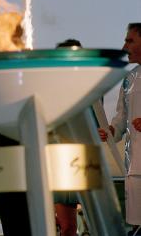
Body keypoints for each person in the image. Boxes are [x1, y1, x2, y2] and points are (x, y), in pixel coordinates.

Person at [98, 23, 141, 236]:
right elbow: (120, 120)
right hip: (134, 167)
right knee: (137, 225)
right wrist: (110, 131)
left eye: (130, 40)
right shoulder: (130, 78)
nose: (124, 46)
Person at [53, 38, 83, 236]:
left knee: (70, 227)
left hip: (77, 161)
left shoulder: (89, 87)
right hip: (55, 160)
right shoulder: (50, 88)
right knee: (64, 225)